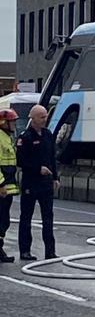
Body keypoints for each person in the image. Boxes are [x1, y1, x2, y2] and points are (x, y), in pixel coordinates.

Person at [17, 105, 60, 261]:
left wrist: (55, 177)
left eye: (45, 116)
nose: (44, 119)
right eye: (41, 117)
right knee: (26, 217)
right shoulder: (25, 137)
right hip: (31, 182)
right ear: (33, 118)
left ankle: (50, 250)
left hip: (46, 184)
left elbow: (52, 158)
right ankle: (25, 250)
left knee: (48, 217)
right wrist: (37, 169)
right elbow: (21, 161)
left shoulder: (48, 135)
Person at [0, 109, 20, 263]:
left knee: (4, 220)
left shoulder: (7, 137)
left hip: (7, 188)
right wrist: (0, 184)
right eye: (12, 121)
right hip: (2, 188)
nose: (14, 124)